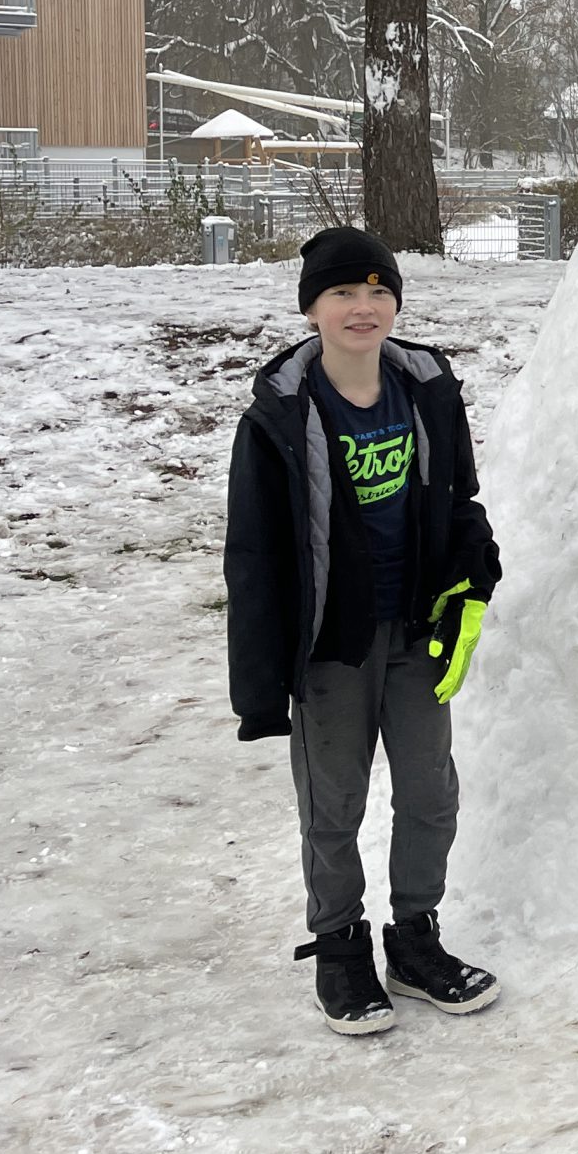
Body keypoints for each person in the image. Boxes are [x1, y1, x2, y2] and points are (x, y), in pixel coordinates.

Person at [224, 226, 503, 1036]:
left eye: (379, 291)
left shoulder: (426, 389)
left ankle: (414, 939)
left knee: (430, 793)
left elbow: (458, 498)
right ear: (312, 308)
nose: (363, 307)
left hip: (415, 630)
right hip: (330, 645)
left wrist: (473, 566)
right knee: (334, 804)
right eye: (343, 292)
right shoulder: (278, 416)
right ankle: (340, 945)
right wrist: (259, 684)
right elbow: (254, 556)